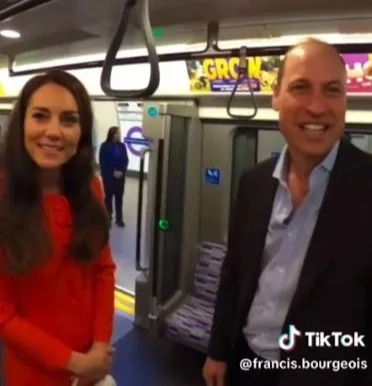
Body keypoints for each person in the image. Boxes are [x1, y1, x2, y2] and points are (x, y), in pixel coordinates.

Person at [203, 38, 372, 386]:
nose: (317, 107)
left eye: (332, 90)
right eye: (300, 88)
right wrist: (218, 350)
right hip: (245, 363)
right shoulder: (253, 183)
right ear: (275, 96)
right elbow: (234, 272)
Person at [0, 70, 117, 386]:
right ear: (21, 123)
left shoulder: (90, 188)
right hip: (34, 373)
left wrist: (99, 347)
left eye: (68, 120)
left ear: (82, 131)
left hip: (92, 367)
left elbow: (102, 271)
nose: (53, 132)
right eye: (40, 116)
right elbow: (3, 315)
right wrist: (74, 363)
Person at [99, 126, 128, 228]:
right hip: (109, 177)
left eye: (119, 133)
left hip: (120, 177)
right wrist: (112, 173)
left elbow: (125, 160)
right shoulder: (104, 146)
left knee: (119, 198)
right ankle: (108, 218)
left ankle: (119, 219)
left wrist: (121, 172)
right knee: (109, 198)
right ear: (112, 134)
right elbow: (103, 163)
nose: (119, 135)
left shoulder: (122, 146)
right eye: (117, 133)